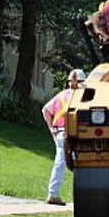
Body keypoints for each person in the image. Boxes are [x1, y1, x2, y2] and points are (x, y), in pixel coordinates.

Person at [41, 69, 86, 205]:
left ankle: (55, 193)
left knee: (61, 162)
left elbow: (45, 110)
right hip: (73, 133)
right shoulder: (81, 96)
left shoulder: (61, 95)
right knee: (77, 163)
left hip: (60, 133)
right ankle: (56, 194)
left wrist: (51, 128)